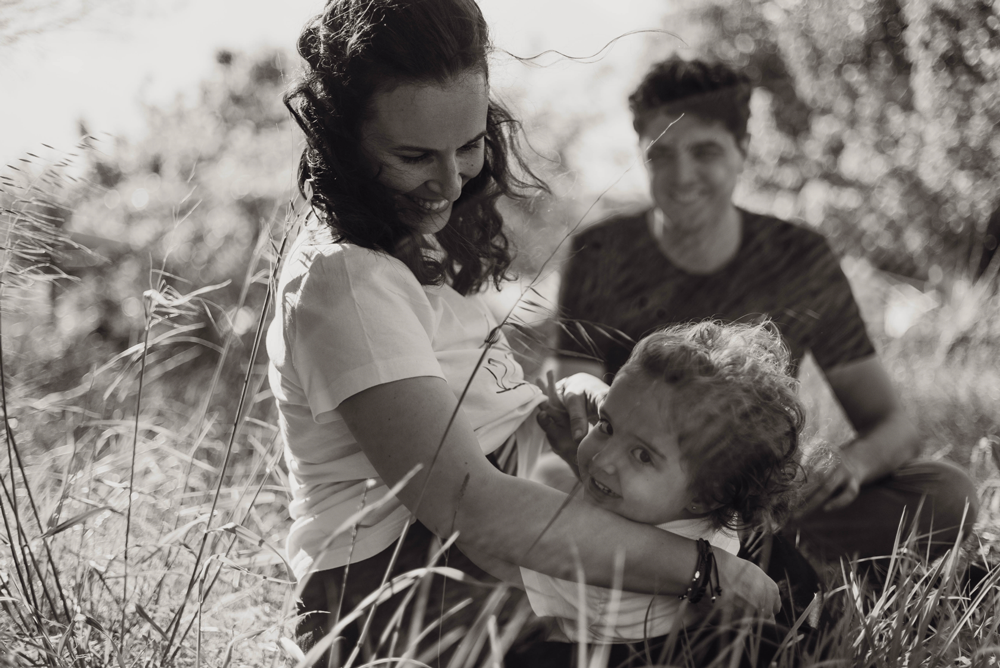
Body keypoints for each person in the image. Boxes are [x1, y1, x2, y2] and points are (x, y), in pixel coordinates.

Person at [268, 6, 779, 665]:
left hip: (522, 525)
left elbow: (485, 413)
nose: (452, 182)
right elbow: (466, 505)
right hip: (401, 587)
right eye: (414, 156)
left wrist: (577, 412)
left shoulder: (414, 248)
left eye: (469, 145)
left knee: (756, 520)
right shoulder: (348, 284)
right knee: (717, 612)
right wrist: (702, 569)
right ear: (343, 140)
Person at [555, 57, 979, 567]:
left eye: (705, 151)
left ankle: (736, 561)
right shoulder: (601, 248)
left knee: (947, 491)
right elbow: (573, 391)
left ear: (742, 152)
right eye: (661, 154)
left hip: (760, 503)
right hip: (635, 490)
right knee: (550, 477)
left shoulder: (799, 256)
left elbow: (893, 425)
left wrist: (849, 464)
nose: (681, 174)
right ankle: (721, 566)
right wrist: (600, 414)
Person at [469, 321, 806, 667]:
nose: (603, 458)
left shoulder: (602, 569)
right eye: (607, 426)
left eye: (642, 455)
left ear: (707, 496)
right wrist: (576, 456)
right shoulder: (710, 510)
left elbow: (491, 546)